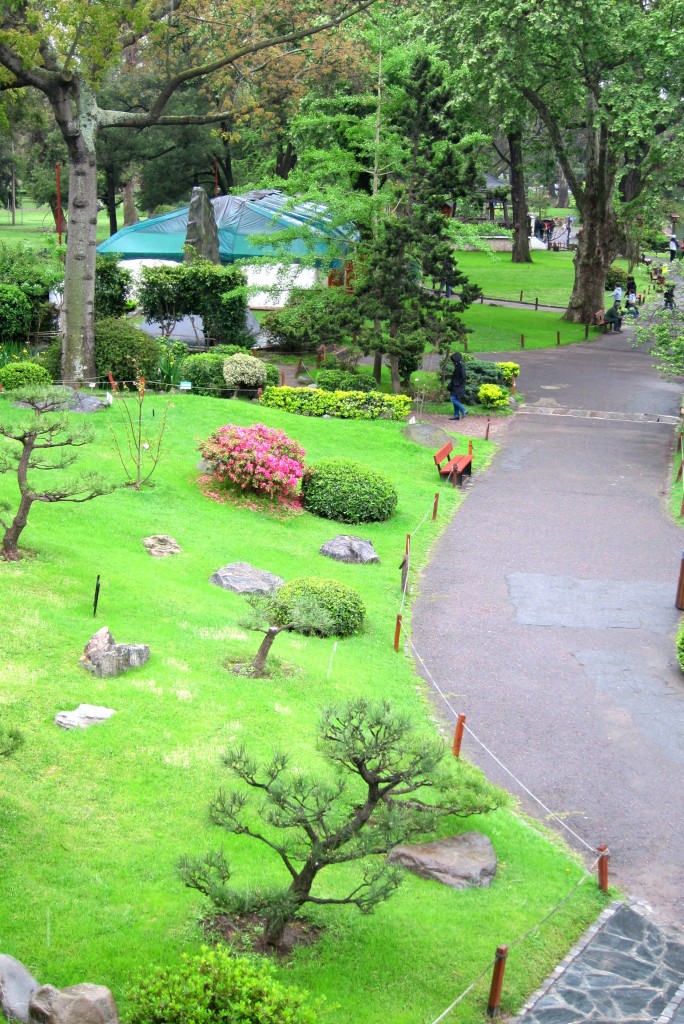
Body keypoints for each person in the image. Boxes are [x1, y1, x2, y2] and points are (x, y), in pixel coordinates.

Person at [447, 351, 468, 420]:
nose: (453, 361)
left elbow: (463, 377)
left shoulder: (461, 366)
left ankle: (464, 410)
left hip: (458, 387)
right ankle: (456, 415)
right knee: (455, 400)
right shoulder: (457, 365)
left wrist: (457, 383)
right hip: (455, 387)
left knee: (452, 399)